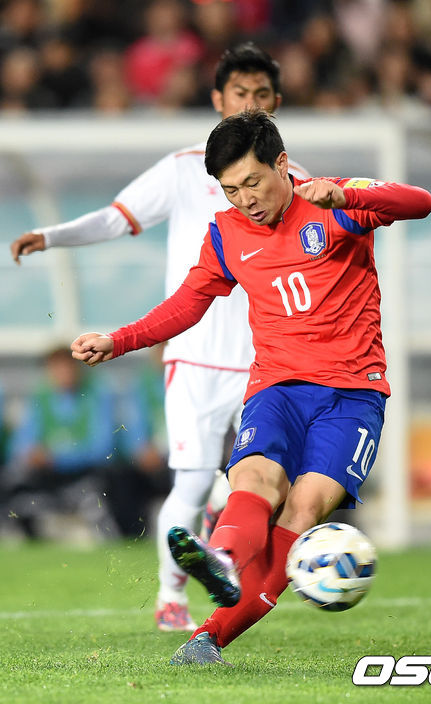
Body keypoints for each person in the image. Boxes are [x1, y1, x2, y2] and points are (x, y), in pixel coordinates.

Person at [70, 109, 431, 665]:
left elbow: (420, 202)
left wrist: (345, 195)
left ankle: (208, 638)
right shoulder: (226, 233)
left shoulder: (334, 202)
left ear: (281, 164)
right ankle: (220, 559)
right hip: (276, 387)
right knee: (254, 478)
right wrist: (118, 340)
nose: (245, 199)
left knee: (303, 511)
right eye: (231, 189)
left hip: (352, 394)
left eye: (253, 182)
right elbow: (186, 304)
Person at [10, 42, 309, 632]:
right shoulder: (183, 169)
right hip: (195, 358)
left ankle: (219, 541)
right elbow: (117, 217)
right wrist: (53, 235)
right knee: (193, 481)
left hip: (267, 363)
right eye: (240, 93)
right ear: (218, 98)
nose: (249, 103)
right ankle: (172, 596)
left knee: (269, 484)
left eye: (261, 94)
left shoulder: (295, 181)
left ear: (276, 101)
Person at [5, 345, 118, 540]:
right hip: (48, 477)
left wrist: (57, 458)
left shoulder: (95, 396)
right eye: (57, 368)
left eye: (68, 367)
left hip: (84, 477)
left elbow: (103, 449)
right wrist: (30, 453)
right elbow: (19, 445)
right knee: (15, 486)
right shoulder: (40, 398)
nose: (63, 373)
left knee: (99, 497)